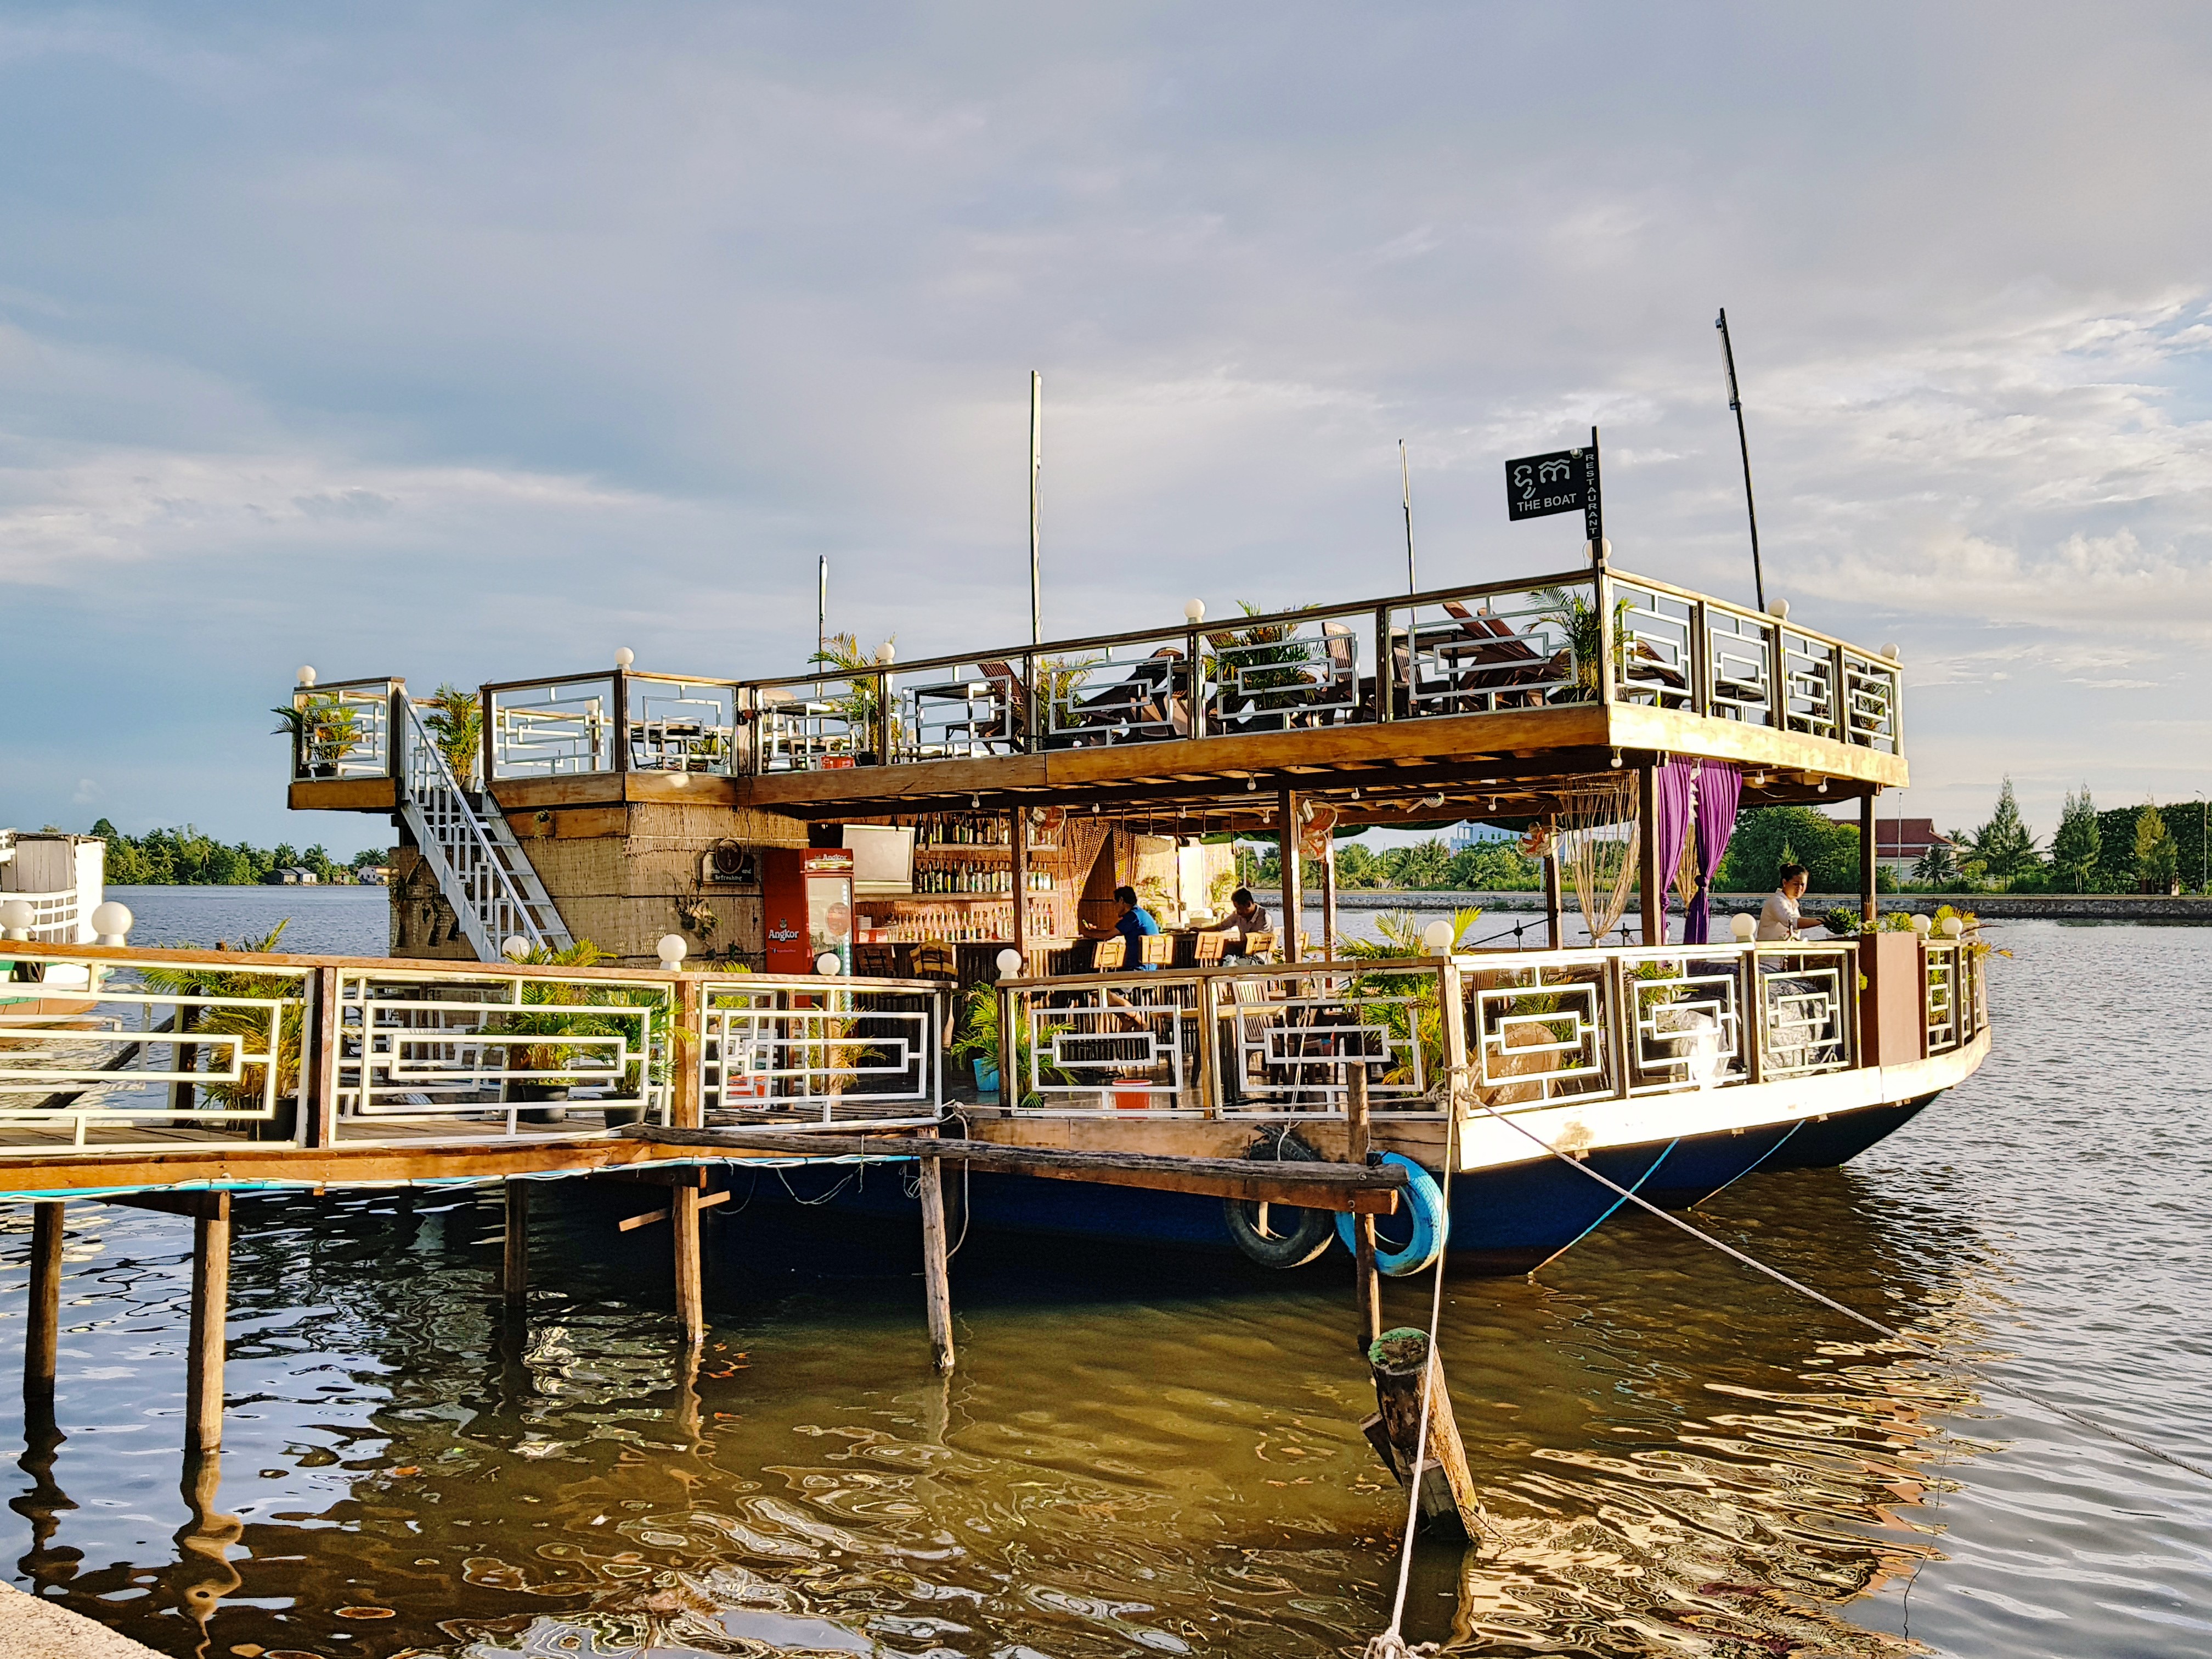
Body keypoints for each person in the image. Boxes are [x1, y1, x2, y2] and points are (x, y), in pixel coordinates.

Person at [1201, 888, 1271, 960]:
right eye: (1236, 909)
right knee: (1224, 953)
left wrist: (1230, 943)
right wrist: (1200, 930)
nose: (1238, 912)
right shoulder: (1238, 915)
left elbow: (1253, 945)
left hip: (1258, 958)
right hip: (1243, 954)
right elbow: (1221, 927)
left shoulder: (1264, 918)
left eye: (1240, 909)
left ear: (1248, 904)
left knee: (1231, 962)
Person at [1758, 864, 1810, 941]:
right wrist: (1823, 921)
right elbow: (1792, 922)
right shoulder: (1776, 901)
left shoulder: (1794, 904)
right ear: (1785, 883)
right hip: (1769, 951)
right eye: (1796, 884)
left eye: (1803, 885)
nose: (1800, 888)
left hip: (1785, 951)